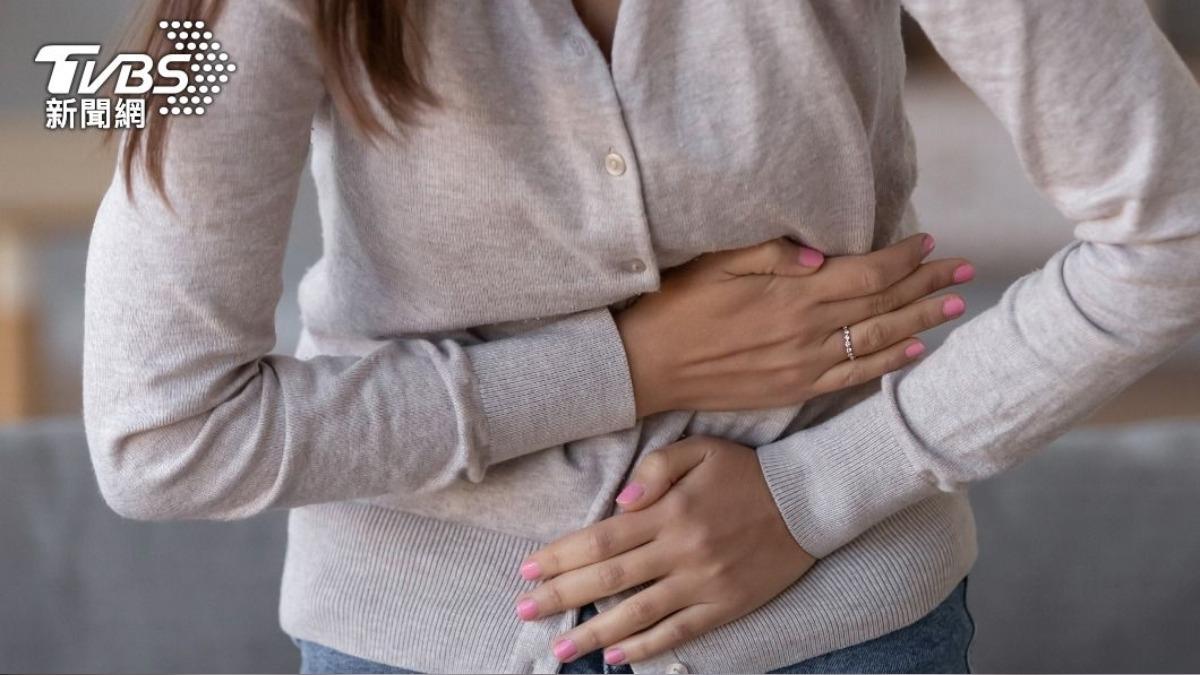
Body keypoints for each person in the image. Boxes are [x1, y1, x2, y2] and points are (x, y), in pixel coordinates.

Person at [84, 0, 1200, 673]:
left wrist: (814, 491)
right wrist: (629, 364)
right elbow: (160, 432)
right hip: (404, 642)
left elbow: (1178, 230)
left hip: (840, 632)